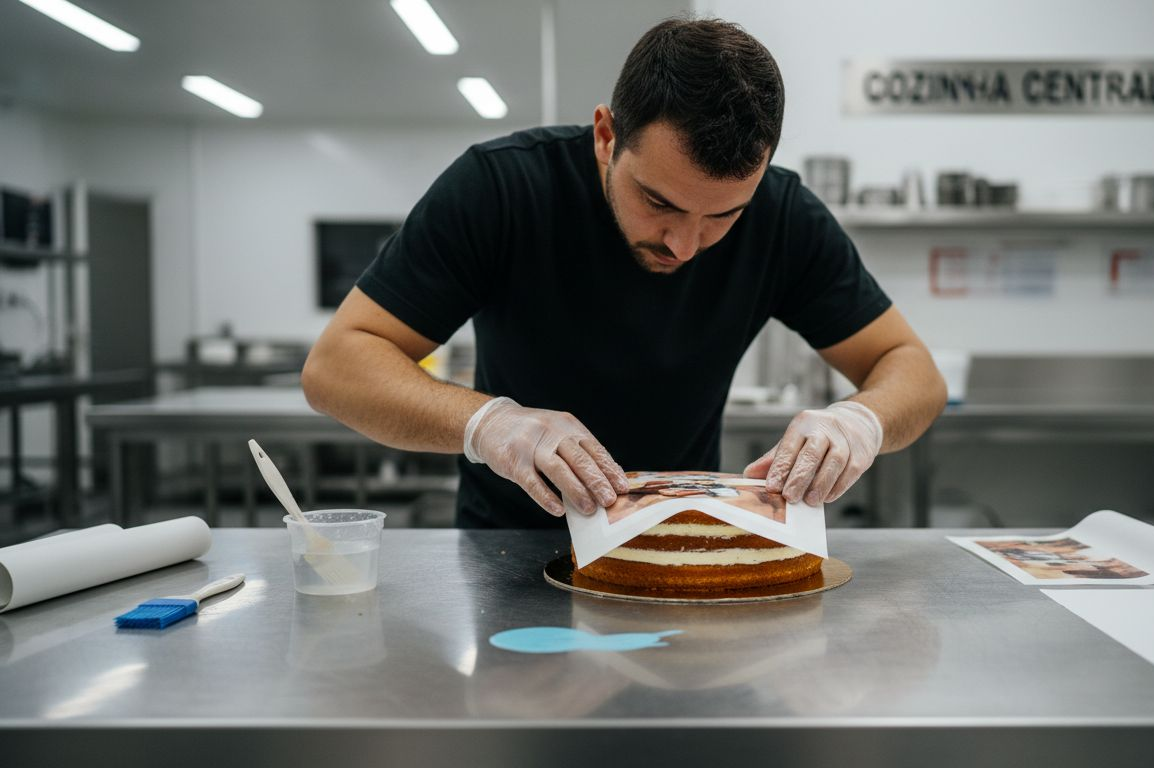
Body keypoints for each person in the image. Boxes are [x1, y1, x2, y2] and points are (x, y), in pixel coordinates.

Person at [302, 17, 947, 528]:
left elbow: (912, 370)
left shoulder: (783, 215)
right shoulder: (501, 188)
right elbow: (336, 368)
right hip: (509, 551)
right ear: (606, 136)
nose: (685, 245)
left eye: (723, 215)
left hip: (682, 541)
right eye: (659, 202)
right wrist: (490, 424)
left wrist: (859, 423)